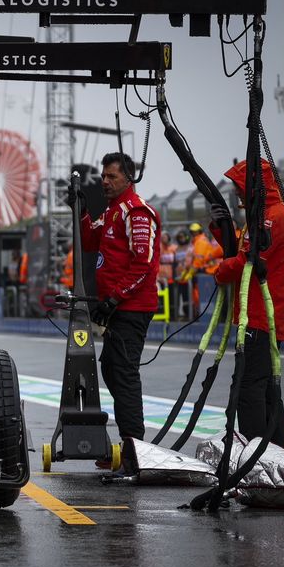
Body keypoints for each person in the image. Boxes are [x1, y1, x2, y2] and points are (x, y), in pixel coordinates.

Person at [68, 152, 161, 447]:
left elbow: (142, 264)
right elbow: (88, 239)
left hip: (132, 307)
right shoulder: (111, 211)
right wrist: (80, 209)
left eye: (112, 176)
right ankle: (128, 444)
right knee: (111, 368)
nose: (105, 181)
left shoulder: (136, 212)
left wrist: (114, 299)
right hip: (118, 307)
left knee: (123, 374)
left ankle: (134, 448)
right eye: (103, 176)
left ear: (128, 178)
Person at [210, 158, 284, 449]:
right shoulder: (264, 216)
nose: (235, 193)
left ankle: (254, 461)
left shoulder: (272, 217)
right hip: (260, 314)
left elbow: (248, 260)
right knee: (268, 393)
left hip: (262, 317)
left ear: (254, 187)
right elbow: (246, 249)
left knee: (248, 390)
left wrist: (220, 272)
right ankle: (281, 457)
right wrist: (222, 228)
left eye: (239, 187)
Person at [172, 229, 193, 319]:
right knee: (179, 295)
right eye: (179, 237)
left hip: (188, 275)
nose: (181, 239)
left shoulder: (190, 247)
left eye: (183, 237)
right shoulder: (176, 249)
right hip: (178, 275)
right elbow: (175, 262)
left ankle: (190, 314)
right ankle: (182, 314)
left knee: (188, 295)